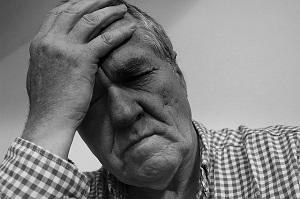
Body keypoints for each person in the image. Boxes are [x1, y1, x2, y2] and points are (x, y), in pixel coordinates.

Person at [0, 0, 299, 198]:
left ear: (178, 74)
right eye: (90, 100)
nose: (123, 112)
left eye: (135, 76)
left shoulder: (289, 156)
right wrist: (46, 119)